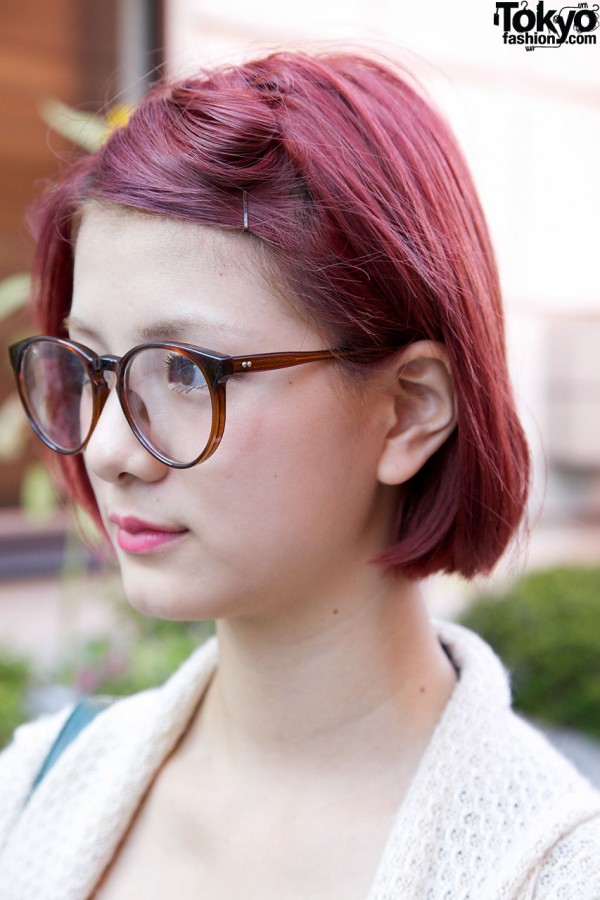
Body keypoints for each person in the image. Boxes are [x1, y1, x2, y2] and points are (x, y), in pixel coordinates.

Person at [1, 49, 599, 899]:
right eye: (92, 366)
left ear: (409, 410)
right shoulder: (35, 792)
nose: (107, 450)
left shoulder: (551, 873)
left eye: (184, 372)